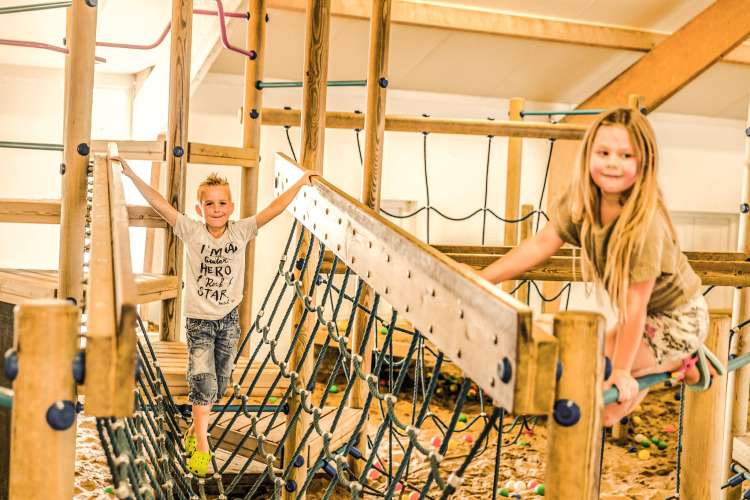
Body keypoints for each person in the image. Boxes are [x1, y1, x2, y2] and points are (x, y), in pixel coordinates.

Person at [475, 107, 723, 426]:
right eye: (603, 152)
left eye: (625, 155)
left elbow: (635, 307)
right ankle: (668, 363)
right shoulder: (582, 201)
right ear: (588, 154)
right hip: (642, 315)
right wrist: (483, 278)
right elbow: (540, 245)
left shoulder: (644, 227)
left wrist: (621, 370)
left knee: (602, 399)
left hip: (678, 318)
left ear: (644, 161)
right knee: (596, 393)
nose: (611, 163)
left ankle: (680, 361)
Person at [113, 156, 320, 476]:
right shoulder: (192, 230)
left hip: (228, 320)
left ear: (231, 205)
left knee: (220, 384)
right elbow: (160, 204)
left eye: (222, 202)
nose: (217, 208)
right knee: (203, 381)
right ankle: (201, 441)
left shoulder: (242, 230)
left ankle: (194, 430)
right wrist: (131, 174)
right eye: (209, 204)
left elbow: (274, 208)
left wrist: (300, 182)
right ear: (200, 209)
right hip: (198, 321)